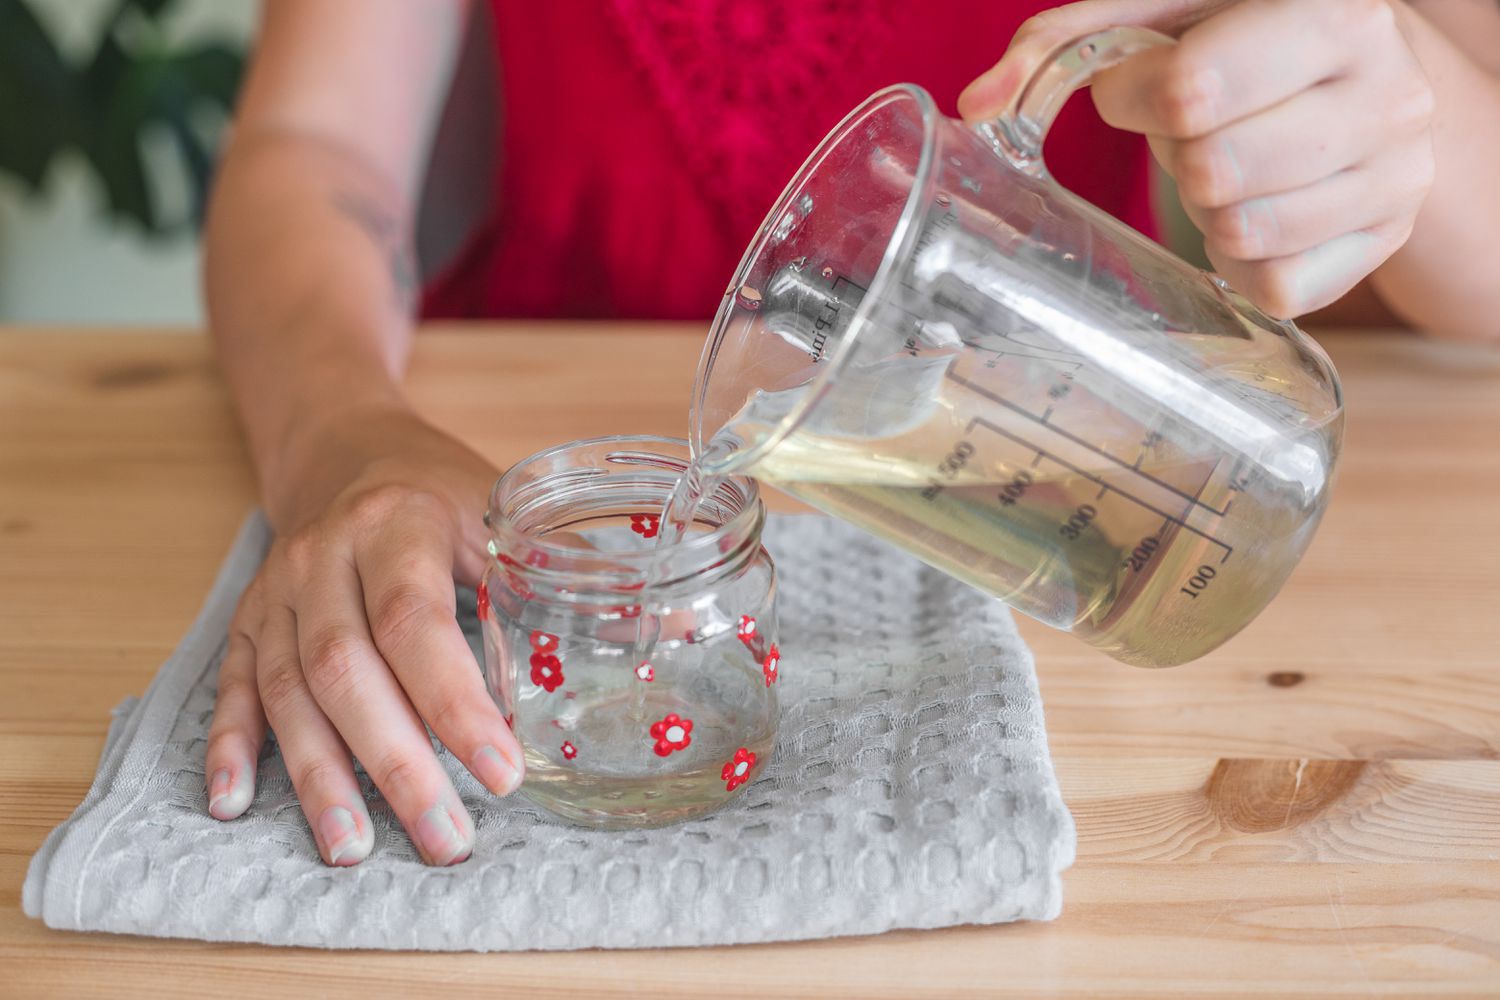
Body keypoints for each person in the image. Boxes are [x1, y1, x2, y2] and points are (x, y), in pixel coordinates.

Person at [201, 0, 1500, 867]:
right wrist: (342, 438)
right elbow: (316, 141)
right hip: (493, 437)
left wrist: (1408, 99)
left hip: (1109, 490)